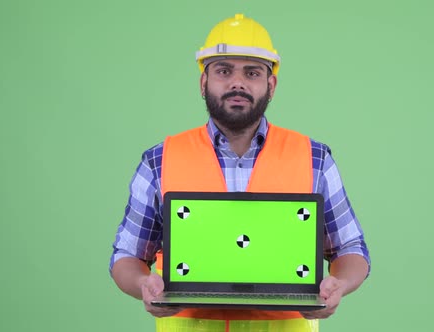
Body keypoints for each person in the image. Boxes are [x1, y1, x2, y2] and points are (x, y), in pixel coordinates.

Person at [110, 13, 370, 332]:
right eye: (223, 70)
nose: (237, 82)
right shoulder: (159, 160)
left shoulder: (315, 159)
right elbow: (126, 256)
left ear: (270, 84)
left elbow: (350, 249)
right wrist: (143, 285)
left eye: (252, 72)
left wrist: (338, 284)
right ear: (204, 81)